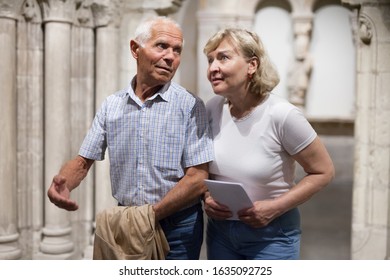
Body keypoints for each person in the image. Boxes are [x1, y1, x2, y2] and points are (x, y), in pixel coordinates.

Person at [47, 16, 214, 260]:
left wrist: (150, 215)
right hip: (127, 221)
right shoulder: (112, 105)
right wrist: (63, 184)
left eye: (177, 50)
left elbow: (198, 177)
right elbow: (83, 161)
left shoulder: (190, 105)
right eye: (162, 46)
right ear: (136, 49)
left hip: (178, 228)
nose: (170, 57)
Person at [203, 28, 335, 260]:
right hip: (221, 233)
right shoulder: (212, 108)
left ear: (252, 65)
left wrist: (275, 208)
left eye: (223, 57)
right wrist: (207, 197)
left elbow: (323, 172)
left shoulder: (282, 115)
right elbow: (204, 170)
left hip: (272, 235)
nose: (213, 68)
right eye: (210, 60)